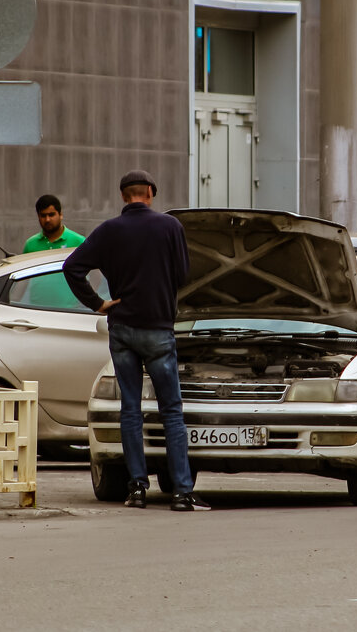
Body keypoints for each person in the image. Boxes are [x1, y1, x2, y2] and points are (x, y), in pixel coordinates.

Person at [62, 171, 209, 512]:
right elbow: (183, 274)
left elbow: (73, 268)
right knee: (171, 411)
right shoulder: (170, 228)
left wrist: (97, 303)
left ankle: (137, 489)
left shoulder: (109, 231)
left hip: (123, 330)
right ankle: (182, 493)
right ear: (151, 194)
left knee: (131, 410)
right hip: (158, 330)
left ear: (124, 196)